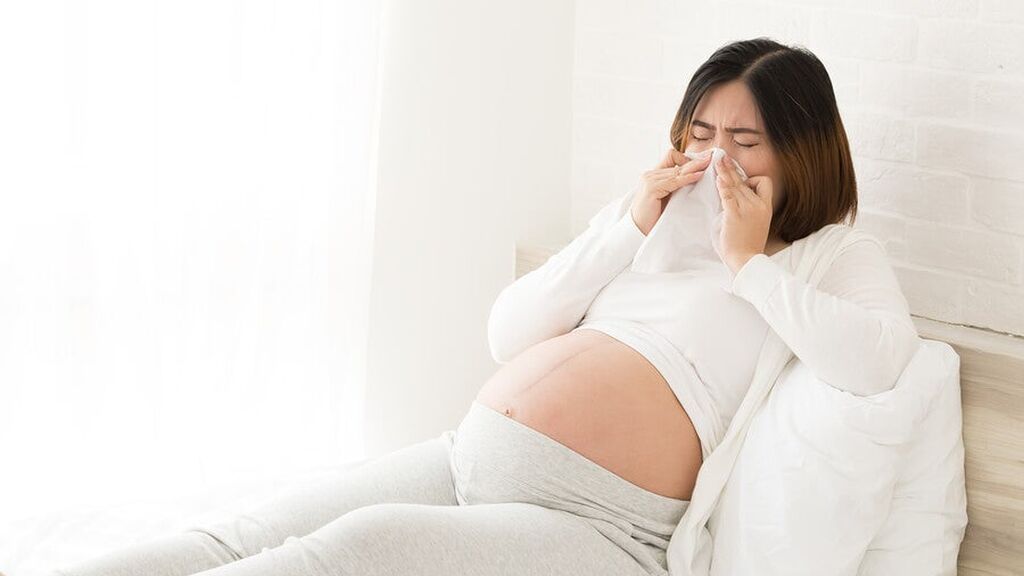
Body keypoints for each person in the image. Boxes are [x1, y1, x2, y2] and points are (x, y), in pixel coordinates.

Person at [48, 37, 919, 576]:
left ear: (802, 152)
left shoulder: (831, 257)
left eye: (743, 142)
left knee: (351, 552)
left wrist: (747, 263)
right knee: (244, 532)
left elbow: (877, 360)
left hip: (600, 529)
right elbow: (509, 331)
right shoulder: (651, 224)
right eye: (697, 135)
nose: (713, 161)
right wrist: (625, 225)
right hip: (471, 455)